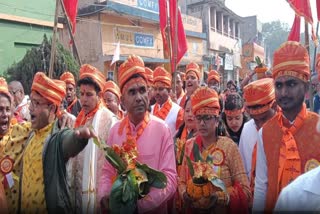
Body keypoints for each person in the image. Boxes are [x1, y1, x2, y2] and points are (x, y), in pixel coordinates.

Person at [2, 72, 97, 213]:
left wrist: (79, 138)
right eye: (31, 102)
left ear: (52, 108)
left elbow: (67, 142)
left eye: (37, 103)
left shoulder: (55, 137)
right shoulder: (28, 133)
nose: (30, 108)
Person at [98, 55, 177, 213]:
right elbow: (108, 171)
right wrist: (105, 195)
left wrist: (140, 206)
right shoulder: (115, 131)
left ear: (149, 94)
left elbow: (170, 178)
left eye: (142, 90)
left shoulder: (162, 130)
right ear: (122, 101)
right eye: (132, 92)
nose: (139, 97)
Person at [253, 41, 320, 212]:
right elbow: (261, 187)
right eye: (279, 85)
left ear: (305, 87)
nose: (283, 92)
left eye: (291, 84)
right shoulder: (265, 133)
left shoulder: (318, 128)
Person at [179, 86, 251, 213]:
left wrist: (220, 197)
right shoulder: (189, 146)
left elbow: (245, 190)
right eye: (199, 118)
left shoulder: (229, 147)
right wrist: (185, 194)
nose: (202, 123)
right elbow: (182, 182)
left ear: (217, 120)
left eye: (207, 118)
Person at [73, 64, 117, 213]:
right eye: (82, 94)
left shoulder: (110, 121)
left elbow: (113, 163)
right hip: (79, 192)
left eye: (89, 94)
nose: (84, 99)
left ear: (99, 96)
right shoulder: (79, 120)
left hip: (101, 195)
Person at [239, 78, 277, 197]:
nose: (261, 126)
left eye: (264, 119)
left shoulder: (285, 130)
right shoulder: (246, 129)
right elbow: (243, 170)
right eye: (256, 120)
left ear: (275, 107)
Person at [151, 66, 184, 135]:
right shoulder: (150, 109)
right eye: (155, 89)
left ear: (169, 91)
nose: (157, 92)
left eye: (160, 89)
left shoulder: (178, 111)